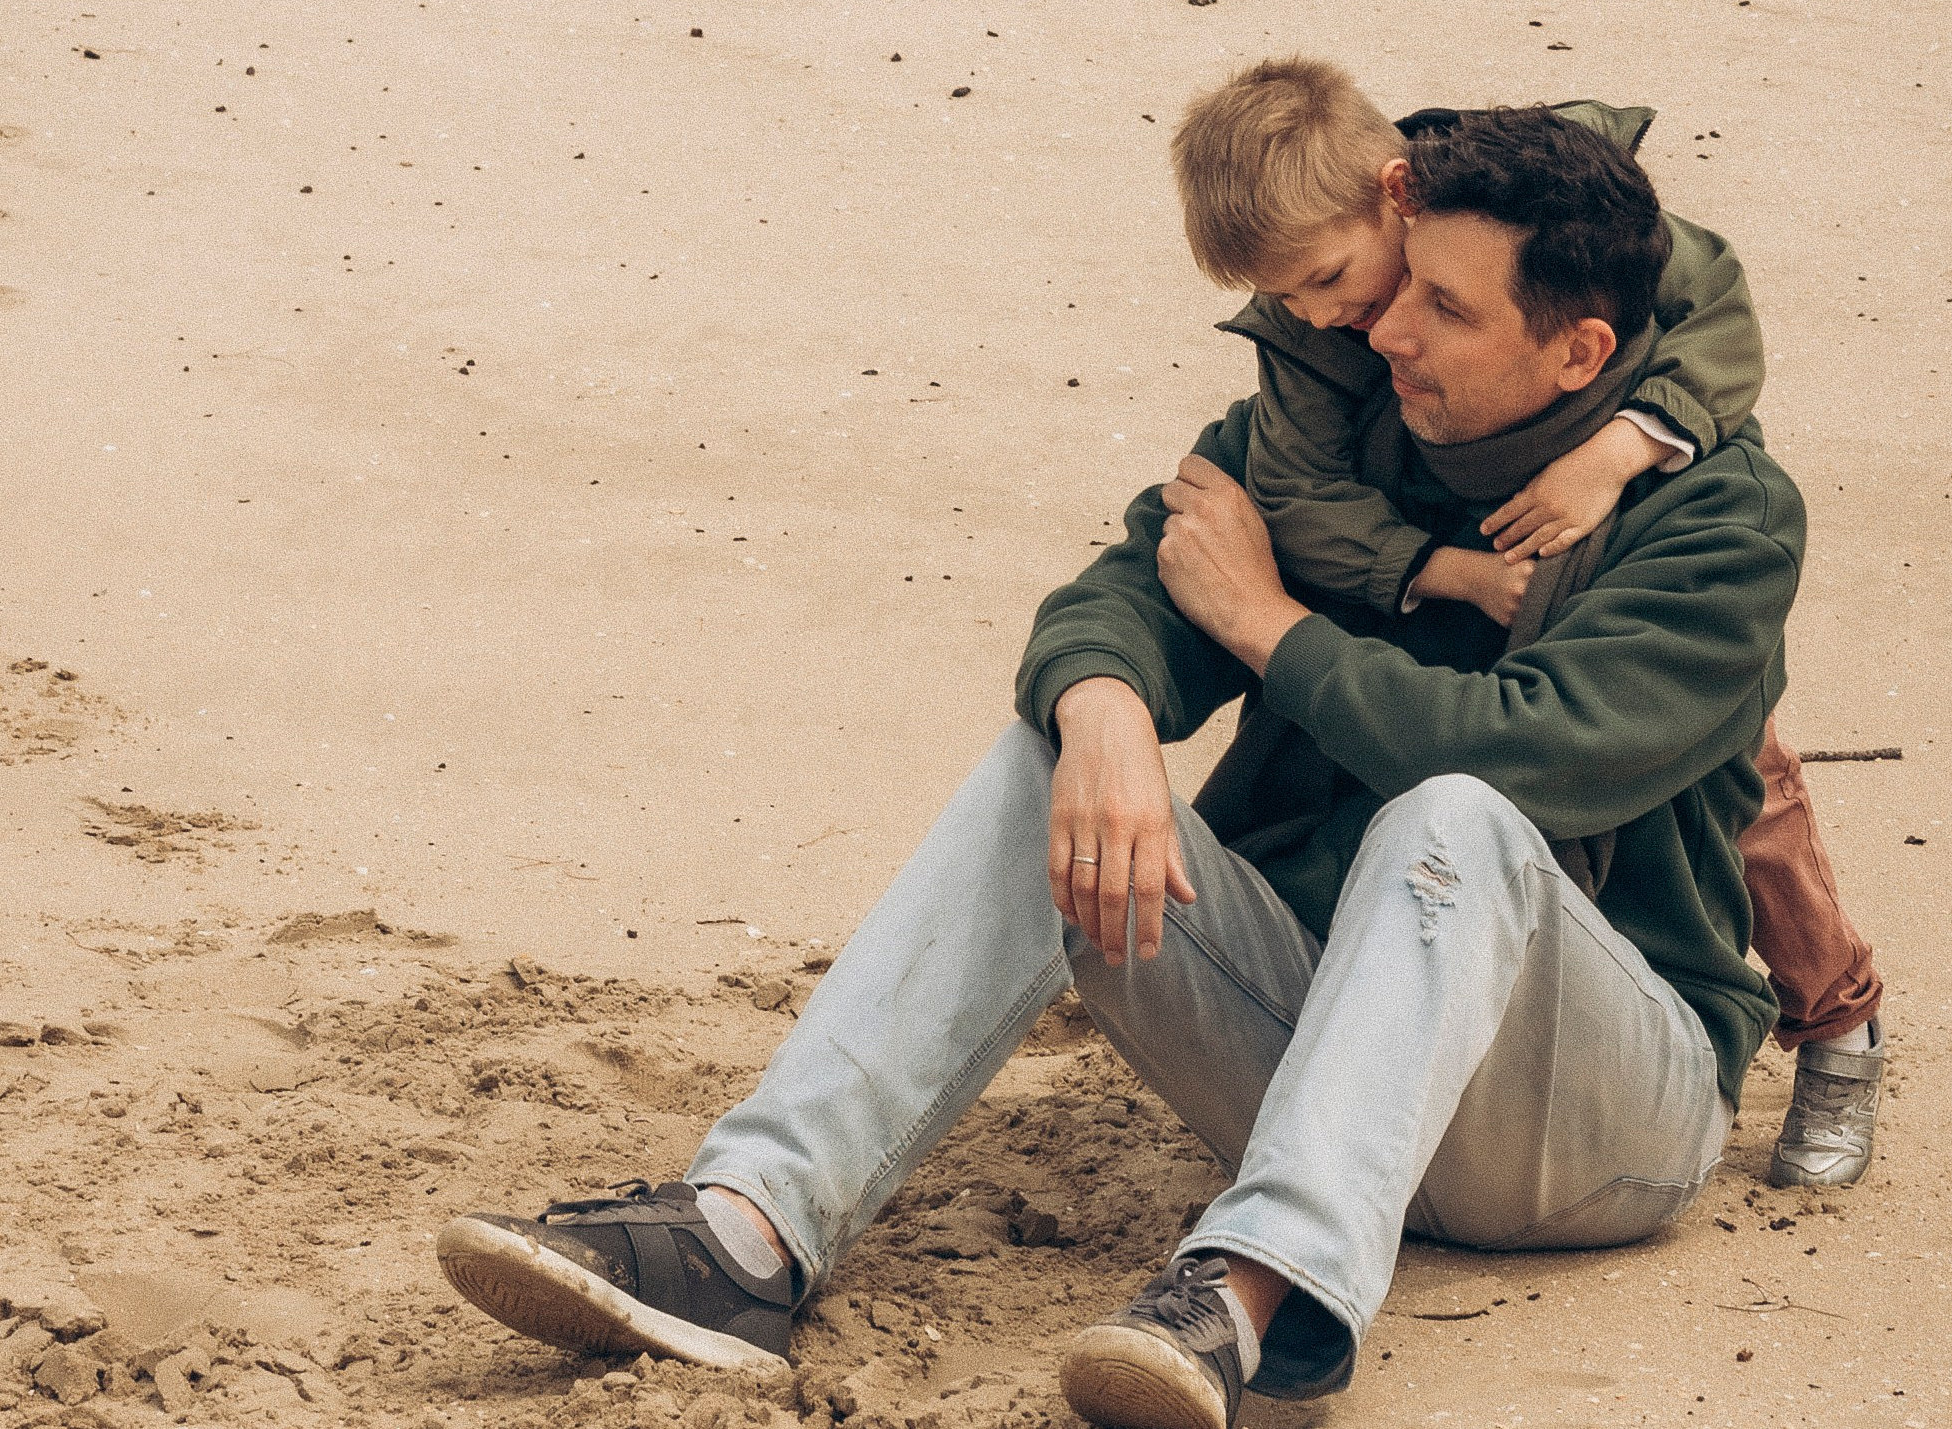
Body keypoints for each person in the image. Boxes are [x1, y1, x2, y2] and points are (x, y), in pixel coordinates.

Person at [438, 107, 1811, 1427]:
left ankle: (1248, 1296)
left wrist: (1265, 624)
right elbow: (1126, 591)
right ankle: (745, 1231)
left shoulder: (1722, 519)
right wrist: (1099, 708)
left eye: (1445, 312)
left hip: (1593, 1129)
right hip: (1313, 1063)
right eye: (1401, 287)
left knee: (1452, 809)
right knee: (1065, 738)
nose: (1387, 328)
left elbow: (1520, 759)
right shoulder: (1326, 431)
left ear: (1576, 354)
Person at [1171, 57, 1882, 1189]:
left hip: (1615, 492)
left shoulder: (1543, 211)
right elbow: (1292, 491)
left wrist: (1622, 449)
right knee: (1490, 781)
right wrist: (1434, 567)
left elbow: (1716, 311)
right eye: (1288, 299)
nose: (1327, 316)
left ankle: (1836, 1020)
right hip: (1476, 517)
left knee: (1736, 785)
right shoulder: (1314, 327)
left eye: (1328, 279)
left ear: (1399, 193)